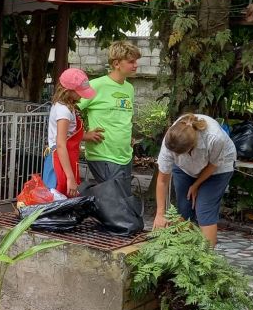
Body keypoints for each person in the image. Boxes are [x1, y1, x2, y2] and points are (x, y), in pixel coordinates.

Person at [153, 113, 237, 246]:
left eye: (178, 154)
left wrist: (196, 184)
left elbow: (214, 165)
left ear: (191, 147)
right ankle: (186, 251)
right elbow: (162, 180)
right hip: (184, 169)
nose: (174, 156)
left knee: (204, 208)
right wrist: (160, 213)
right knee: (184, 208)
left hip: (218, 168)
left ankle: (206, 255)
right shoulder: (171, 142)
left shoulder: (215, 138)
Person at [78, 40, 141, 194]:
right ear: (116, 63)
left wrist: (127, 137)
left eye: (136, 61)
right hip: (103, 155)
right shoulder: (96, 85)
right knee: (115, 201)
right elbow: (68, 110)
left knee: (120, 201)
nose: (136, 65)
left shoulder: (129, 88)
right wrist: (83, 135)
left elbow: (124, 118)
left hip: (125, 155)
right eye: (131, 61)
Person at [44, 68, 97, 197]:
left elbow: (69, 134)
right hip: (58, 160)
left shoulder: (66, 106)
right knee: (57, 196)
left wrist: (87, 136)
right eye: (79, 92)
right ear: (67, 91)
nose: (82, 96)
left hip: (65, 158)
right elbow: (61, 144)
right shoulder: (64, 111)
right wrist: (70, 177)